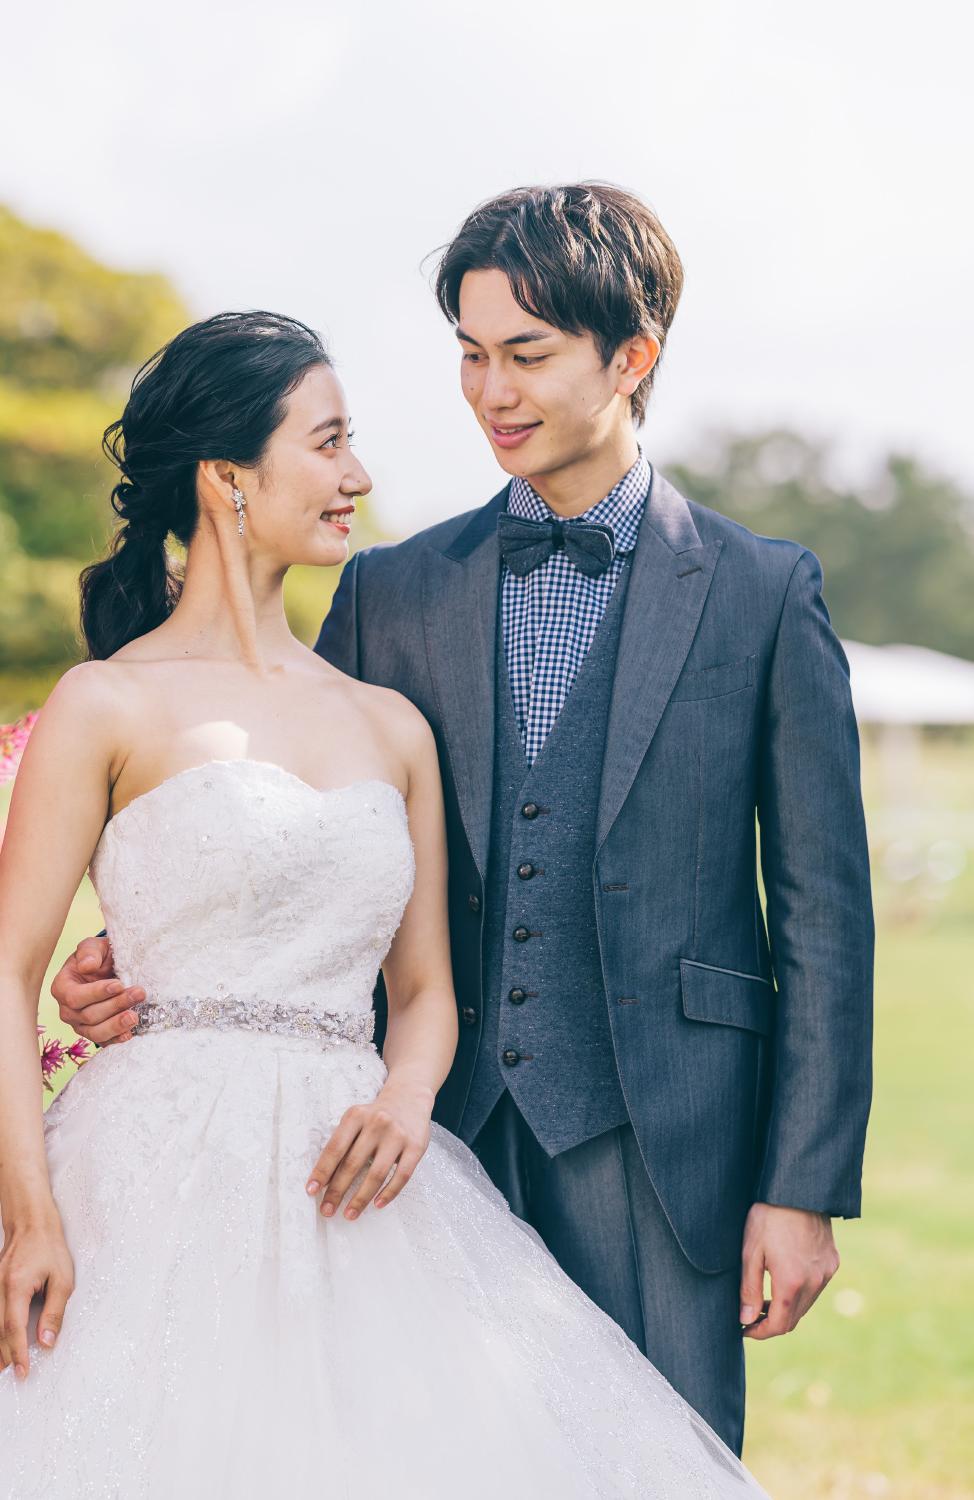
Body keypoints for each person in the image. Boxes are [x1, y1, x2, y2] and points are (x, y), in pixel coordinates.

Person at [0, 309, 767, 1497]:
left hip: (361, 1185)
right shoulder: (106, 704)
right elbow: (4, 976)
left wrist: (409, 1099)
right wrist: (30, 1220)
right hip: (143, 1181)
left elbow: (422, 992)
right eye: (329, 442)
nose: (359, 474)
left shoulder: (389, 724)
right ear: (227, 480)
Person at [52, 184, 876, 1455]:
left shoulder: (765, 594)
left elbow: (825, 910)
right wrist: (138, 965)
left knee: (657, 1466)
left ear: (633, 356)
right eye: (471, 355)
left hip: (666, 1143)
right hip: (410, 1141)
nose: (492, 390)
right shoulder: (387, 589)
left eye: (528, 355)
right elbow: (285, 816)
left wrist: (802, 1185)